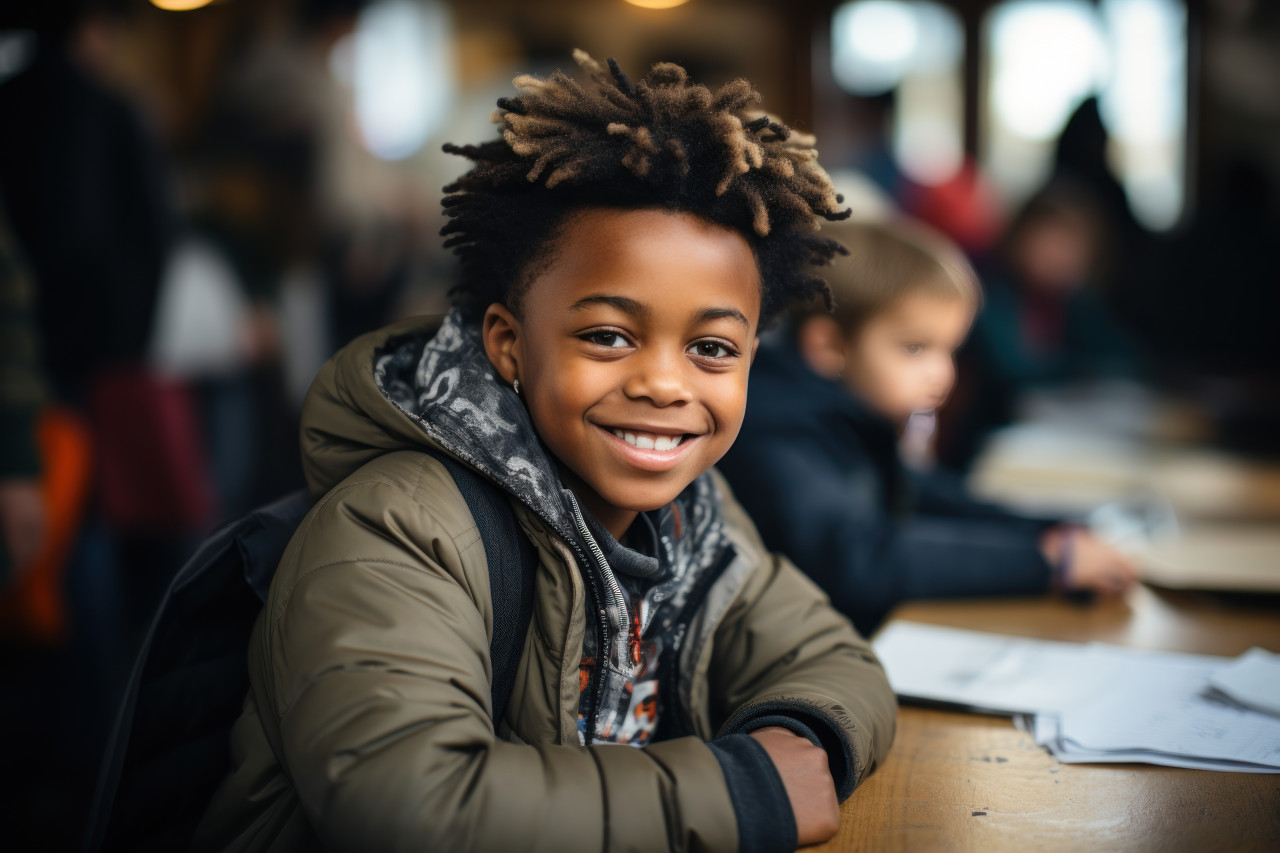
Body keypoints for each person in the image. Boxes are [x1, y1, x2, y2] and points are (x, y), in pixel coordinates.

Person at [194, 52, 897, 853]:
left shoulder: (693, 516)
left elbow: (832, 658)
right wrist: (740, 789)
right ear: (509, 343)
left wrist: (796, 738)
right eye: (607, 335)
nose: (665, 383)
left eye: (711, 348)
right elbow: (415, 804)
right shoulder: (397, 529)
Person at [717, 219, 1138, 637]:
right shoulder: (774, 430)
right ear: (829, 347)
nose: (943, 375)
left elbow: (917, 492)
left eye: (949, 350)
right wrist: (1045, 562)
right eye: (915, 348)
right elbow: (857, 560)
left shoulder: (842, 414)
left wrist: (1052, 530)